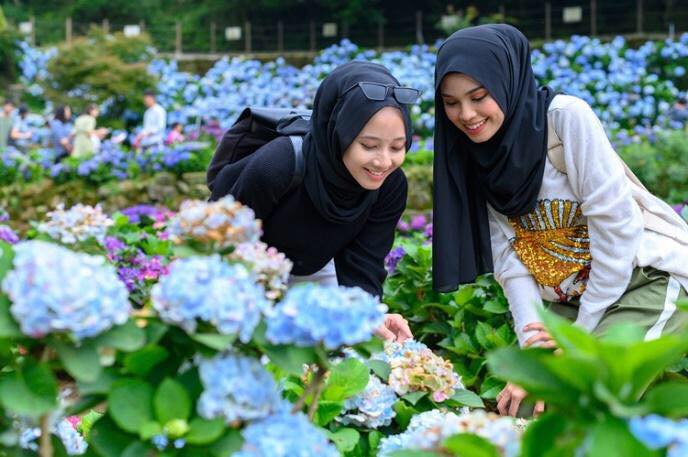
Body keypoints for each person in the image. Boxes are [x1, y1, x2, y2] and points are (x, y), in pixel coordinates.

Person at [431, 24, 688, 416]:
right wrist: (534, 357)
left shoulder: (565, 120)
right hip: (572, 301)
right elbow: (510, 261)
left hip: (645, 279)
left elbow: (616, 233)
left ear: (507, 81)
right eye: (451, 103)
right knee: (526, 405)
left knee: (582, 396)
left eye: (478, 97)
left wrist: (576, 340)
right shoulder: (472, 152)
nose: (466, 115)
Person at [209, 62, 421, 342]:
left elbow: (364, 264)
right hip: (247, 268)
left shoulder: (390, 185)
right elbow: (226, 243)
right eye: (368, 146)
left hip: (315, 268)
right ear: (338, 133)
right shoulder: (278, 164)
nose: (384, 161)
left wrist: (368, 315)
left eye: (397, 147)